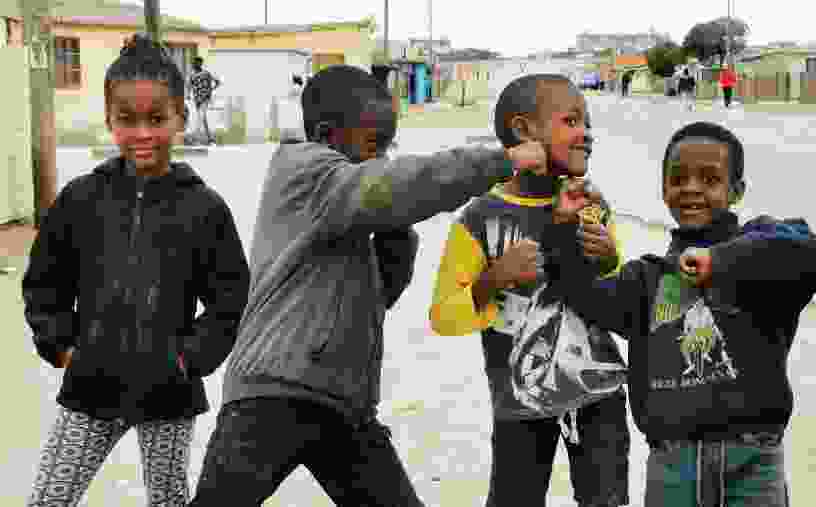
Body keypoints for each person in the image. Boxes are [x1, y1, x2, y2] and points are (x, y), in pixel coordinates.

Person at [187, 65, 549, 506]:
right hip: (272, 393)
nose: (382, 159)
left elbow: (378, 298)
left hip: (343, 401)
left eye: (387, 146)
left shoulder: (350, 208)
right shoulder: (306, 174)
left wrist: (398, 235)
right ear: (327, 135)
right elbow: (394, 186)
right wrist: (500, 161)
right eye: (374, 145)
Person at [542, 121, 816, 507]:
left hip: (754, 461)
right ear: (664, 190)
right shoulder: (648, 279)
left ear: (736, 191)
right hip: (672, 466)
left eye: (710, 179)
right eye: (678, 179)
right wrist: (562, 227)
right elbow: (583, 292)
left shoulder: (761, 253)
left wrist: (718, 261)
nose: (691, 187)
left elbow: (805, 253)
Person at [22, 33, 251, 507]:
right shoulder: (81, 199)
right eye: (127, 120)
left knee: (168, 500)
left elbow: (230, 298)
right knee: (48, 499)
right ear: (109, 119)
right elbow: (45, 282)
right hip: (91, 387)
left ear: (180, 118)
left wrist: (188, 359)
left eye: (157, 119)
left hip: (169, 394)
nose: (142, 133)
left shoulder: (204, 208)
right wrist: (60, 344)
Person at [429, 74, 631, 507]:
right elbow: (444, 316)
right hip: (520, 402)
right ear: (523, 131)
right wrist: (494, 279)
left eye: (587, 122)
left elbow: (616, 303)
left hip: (599, 395)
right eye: (571, 121)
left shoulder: (591, 205)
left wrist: (610, 260)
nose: (586, 133)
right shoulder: (480, 219)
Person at [188, 56, 221, 145]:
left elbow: (217, 82)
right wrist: (188, 95)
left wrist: (211, 89)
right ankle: (210, 139)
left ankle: (195, 138)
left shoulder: (206, 73)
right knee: (203, 119)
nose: (194, 65)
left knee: (200, 117)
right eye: (193, 63)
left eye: (196, 63)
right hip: (197, 99)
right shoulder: (192, 75)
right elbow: (189, 85)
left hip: (205, 98)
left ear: (200, 63)